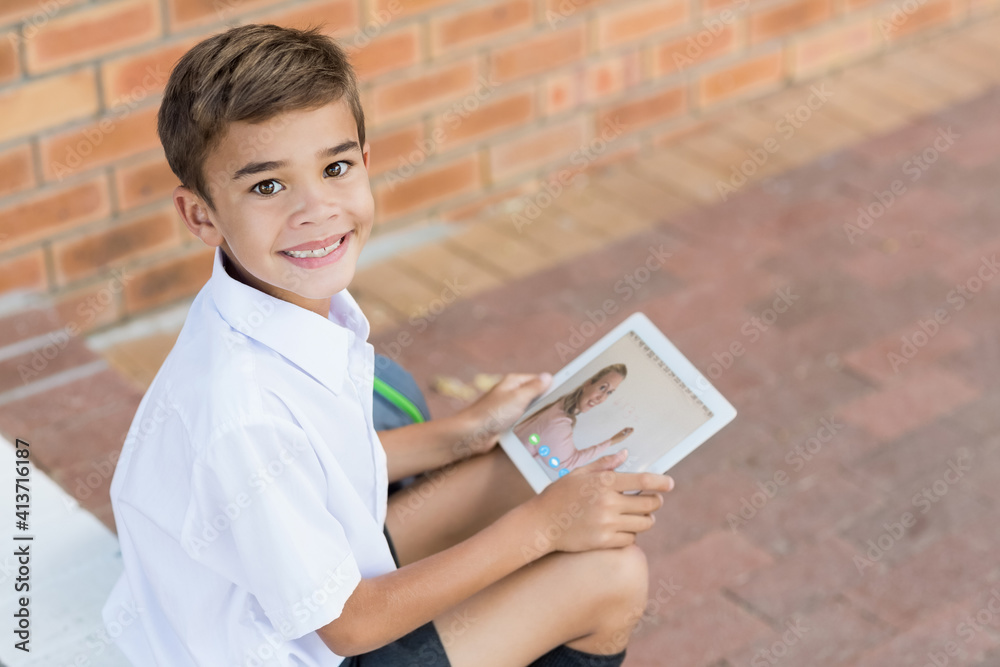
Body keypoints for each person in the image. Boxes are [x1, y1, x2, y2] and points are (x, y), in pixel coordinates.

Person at [101, 24, 674, 667]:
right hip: (311, 644)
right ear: (201, 214)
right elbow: (345, 627)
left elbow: (314, 464)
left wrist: (462, 432)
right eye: (268, 186)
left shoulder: (265, 305)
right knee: (610, 577)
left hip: (295, 589)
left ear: (365, 162)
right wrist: (542, 530)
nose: (315, 208)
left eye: (335, 167)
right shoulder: (240, 408)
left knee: (520, 464)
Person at [514, 364, 635, 476]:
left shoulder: (560, 405)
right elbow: (568, 464)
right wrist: (612, 441)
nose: (602, 398)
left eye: (609, 392)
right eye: (602, 387)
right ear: (588, 384)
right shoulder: (559, 422)